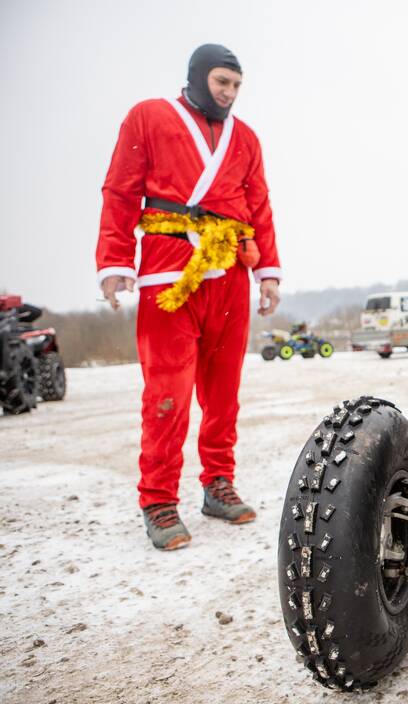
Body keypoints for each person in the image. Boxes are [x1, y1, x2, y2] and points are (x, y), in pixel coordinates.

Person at [96, 44, 282, 550]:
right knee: (167, 394)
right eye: (223, 82)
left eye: (237, 86)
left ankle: (217, 485)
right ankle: (158, 500)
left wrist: (267, 270)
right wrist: (115, 261)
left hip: (229, 274)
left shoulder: (245, 138)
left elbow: (259, 203)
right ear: (198, 77)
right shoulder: (149, 116)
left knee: (223, 392)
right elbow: (120, 190)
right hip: (168, 272)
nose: (229, 93)